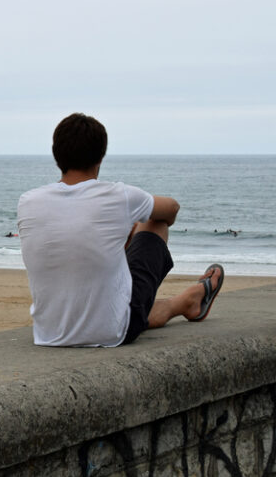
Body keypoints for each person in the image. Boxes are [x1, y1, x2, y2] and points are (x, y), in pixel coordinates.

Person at [17, 113, 224, 347]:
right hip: (113, 332)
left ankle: (185, 302)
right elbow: (171, 209)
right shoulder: (118, 196)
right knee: (154, 222)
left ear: (56, 156)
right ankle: (190, 300)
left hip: (48, 334)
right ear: (101, 157)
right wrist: (131, 227)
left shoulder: (28, 201)